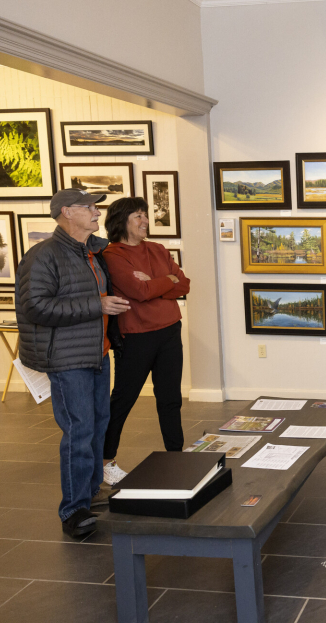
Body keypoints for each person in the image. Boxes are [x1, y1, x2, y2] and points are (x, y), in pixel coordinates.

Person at [16, 188, 131, 538]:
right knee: (79, 431)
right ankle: (74, 510)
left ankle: (91, 492)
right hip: (66, 359)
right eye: (89, 207)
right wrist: (98, 304)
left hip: (96, 353)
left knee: (97, 425)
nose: (97, 212)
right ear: (67, 212)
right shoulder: (43, 256)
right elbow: (35, 307)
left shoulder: (92, 253)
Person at [100, 197, 190, 485]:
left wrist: (157, 282)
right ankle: (105, 461)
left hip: (169, 332)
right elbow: (138, 291)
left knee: (170, 399)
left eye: (145, 216)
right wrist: (167, 281)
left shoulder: (158, 249)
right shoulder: (113, 254)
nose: (145, 222)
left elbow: (185, 284)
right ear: (121, 221)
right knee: (123, 400)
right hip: (136, 337)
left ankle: (176, 455)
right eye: (138, 216)